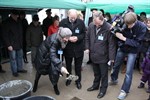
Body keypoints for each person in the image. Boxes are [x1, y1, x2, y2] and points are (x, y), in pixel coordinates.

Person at [109, 12, 147, 100]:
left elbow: (137, 43)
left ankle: (124, 91)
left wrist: (123, 38)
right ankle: (114, 79)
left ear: (135, 21)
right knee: (116, 66)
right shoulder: (123, 21)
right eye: (127, 24)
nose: (128, 26)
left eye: (130, 25)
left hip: (133, 51)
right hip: (122, 48)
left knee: (129, 72)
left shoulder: (142, 27)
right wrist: (114, 31)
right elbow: (114, 31)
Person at [85, 11, 116, 99]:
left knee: (104, 75)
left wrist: (111, 58)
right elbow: (87, 37)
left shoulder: (108, 28)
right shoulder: (91, 25)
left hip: (103, 56)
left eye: (98, 23)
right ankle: (95, 86)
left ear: (102, 19)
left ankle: (103, 90)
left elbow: (111, 44)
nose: (96, 25)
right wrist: (87, 48)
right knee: (96, 73)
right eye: (95, 23)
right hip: (93, 55)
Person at [33, 27, 72, 95]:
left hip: (50, 54)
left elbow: (56, 51)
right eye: (66, 38)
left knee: (54, 72)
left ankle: (55, 86)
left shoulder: (61, 36)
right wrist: (61, 66)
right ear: (61, 36)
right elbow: (53, 55)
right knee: (40, 70)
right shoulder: (54, 41)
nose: (67, 39)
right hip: (43, 55)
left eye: (68, 37)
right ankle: (35, 83)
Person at [59, 9, 86, 89]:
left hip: (78, 48)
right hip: (68, 48)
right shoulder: (63, 22)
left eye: (75, 17)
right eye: (72, 17)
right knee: (68, 66)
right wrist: (67, 38)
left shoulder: (81, 22)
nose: (73, 19)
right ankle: (69, 79)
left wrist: (77, 38)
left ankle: (78, 81)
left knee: (78, 67)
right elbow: (59, 34)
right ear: (68, 15)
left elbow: (84, 33)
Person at [2, 10, 27, 77]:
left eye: (17, 15)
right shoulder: (7, 22)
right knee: (13, 59)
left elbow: (21, 33)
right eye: (15, 15)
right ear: (12, 14)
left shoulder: (19, 21)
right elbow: (5, 35)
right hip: (11, 45)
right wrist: (8, 45)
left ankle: (20, 68)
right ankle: (15, 71)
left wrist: (22, 42)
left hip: (19, 43)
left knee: (20, 57)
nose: (17, 16)